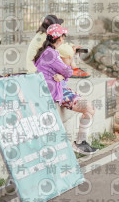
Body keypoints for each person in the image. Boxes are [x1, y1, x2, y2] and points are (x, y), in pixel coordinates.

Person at [34, 24, 97, 154]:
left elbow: (65, 73)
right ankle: (80, 143)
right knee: (89, 108)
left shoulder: (48, 51)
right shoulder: (51, 54)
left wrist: (62, 75)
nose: (64, 39)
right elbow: (68, 71)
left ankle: (81, 143)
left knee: (90, 109)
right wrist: (63, 74)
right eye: (63, 36)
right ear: (59, 39)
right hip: (56, 92)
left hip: (58, 88)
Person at [26, 15, 90, 77]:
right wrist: (73, 49)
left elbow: (61, 46)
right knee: (66, 55)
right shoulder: (46, 38)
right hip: (38, 73)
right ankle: (74, 70)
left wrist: (72, 46)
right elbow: (67, 52)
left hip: (34, 69)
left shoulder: (42, 35)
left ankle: (74, 69)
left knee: (63, 53)